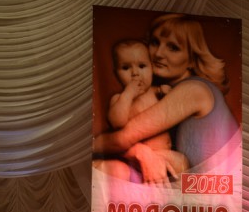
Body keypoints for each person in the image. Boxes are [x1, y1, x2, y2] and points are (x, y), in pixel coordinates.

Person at [93, 14, 240, 181]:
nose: (158, 53)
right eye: (155, 42)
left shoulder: (194, 90)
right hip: (189, 187)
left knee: (103, 168)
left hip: (215, 190)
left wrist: (140, 152)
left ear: (192, 59)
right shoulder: (160, 92)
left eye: (173, 48)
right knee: (111, 170)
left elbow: (117, 141)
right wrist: (142, 153)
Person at [93, 38, 188, 185]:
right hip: (133, 161)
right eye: (126, 68)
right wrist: (128, 94)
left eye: (142, 66)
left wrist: (167, 93)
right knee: (117, 171)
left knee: (181, 162)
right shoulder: (119, 99)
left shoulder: (157, 92)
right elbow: (117, 122)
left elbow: (179, 108)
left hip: (163, 157)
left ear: (152, 68)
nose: (135, 74)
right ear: (116, 73)